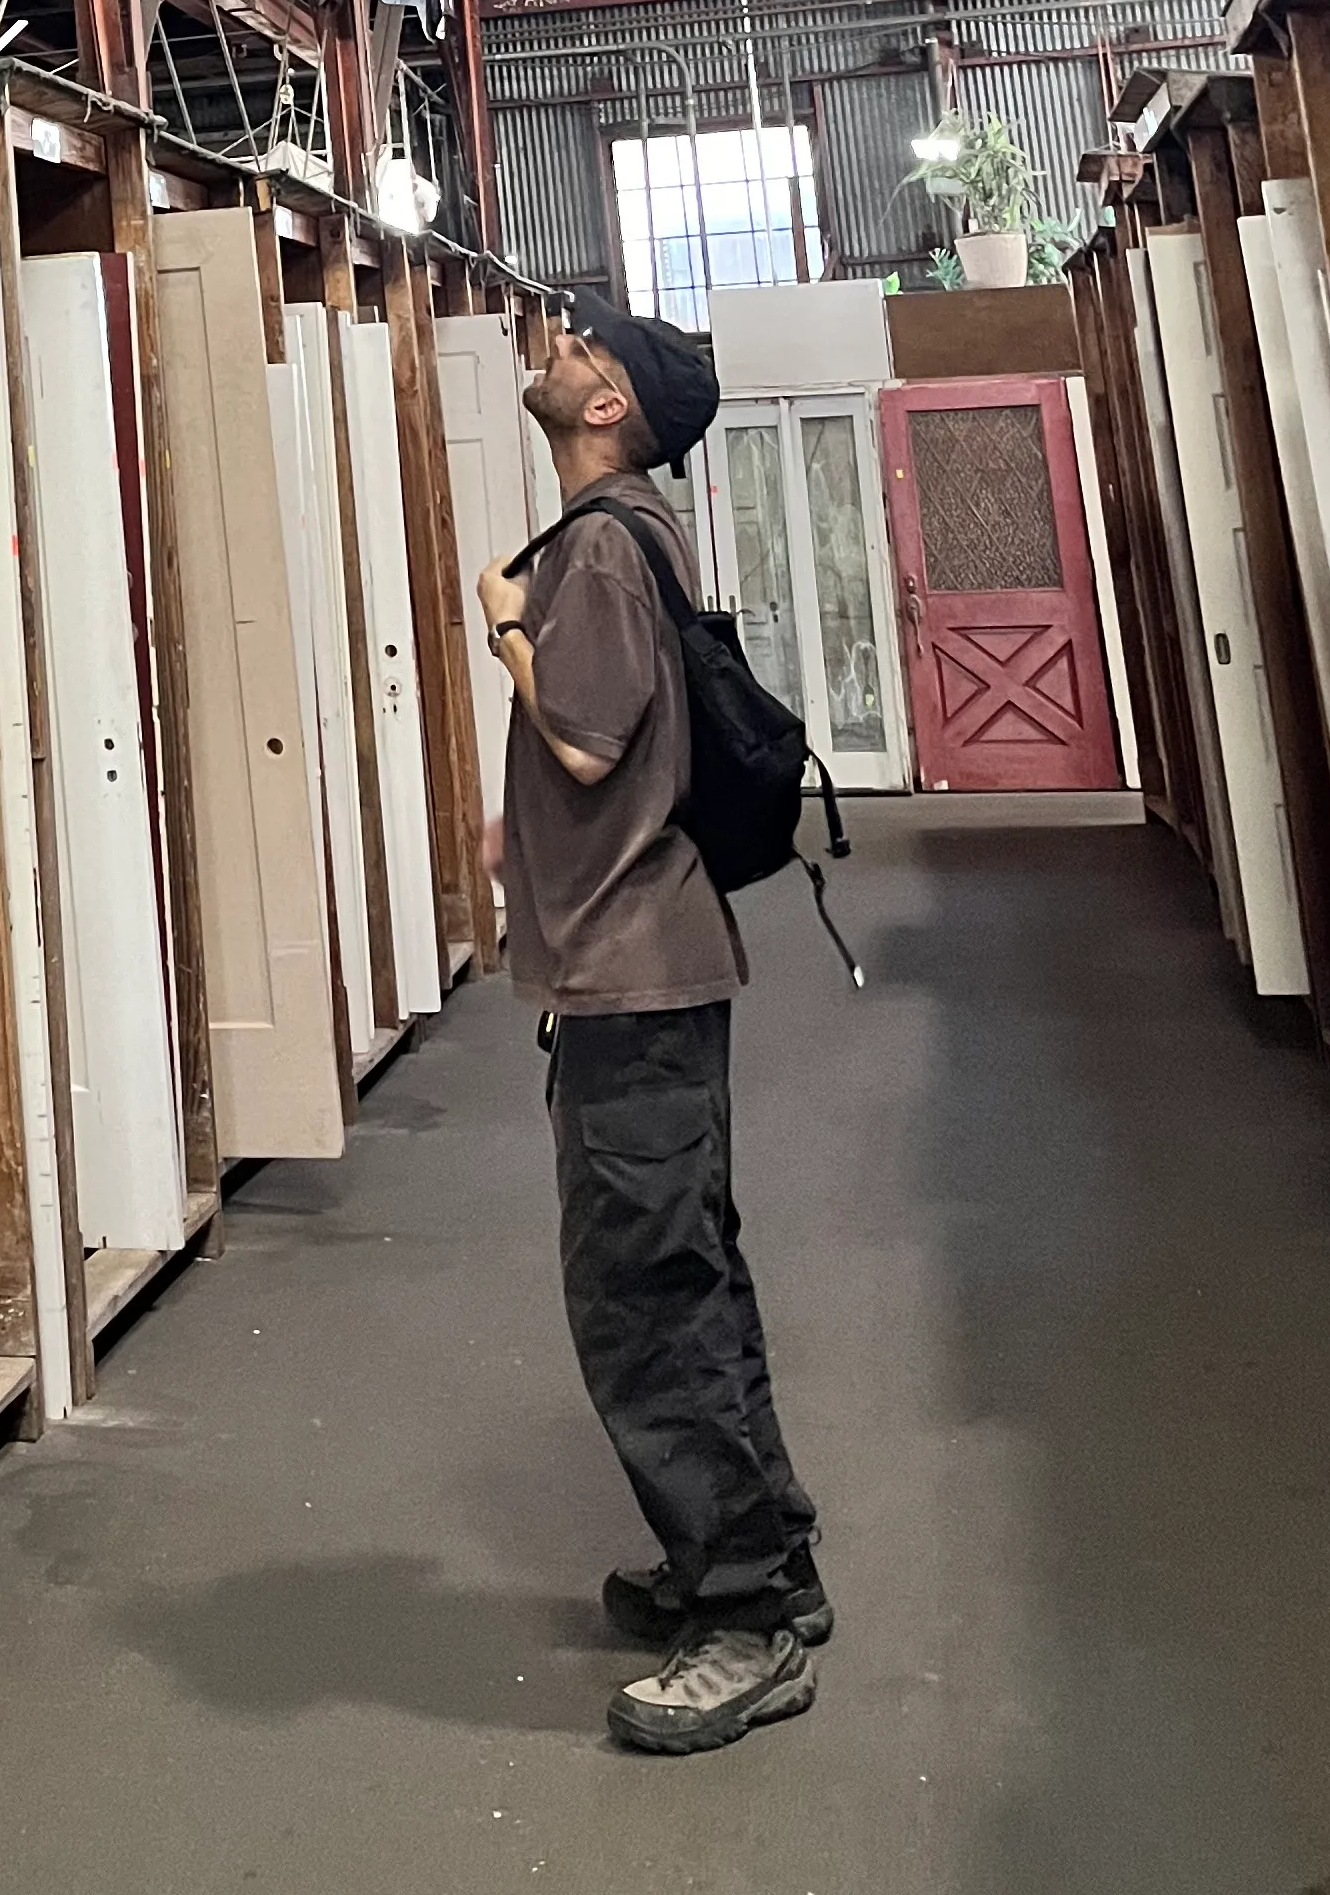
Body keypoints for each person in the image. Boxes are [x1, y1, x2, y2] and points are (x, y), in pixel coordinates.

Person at [477, 294, 826, 1758]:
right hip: (637, 969)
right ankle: (760, 1562)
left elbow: (587, 737)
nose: (550, 350)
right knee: (685, 1272)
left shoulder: (604, 550)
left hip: (638, 972)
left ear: (611, 402)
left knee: (644, 1300)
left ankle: (743, 1617)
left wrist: (505, 632)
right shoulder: (619, 537)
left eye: (576, 344)